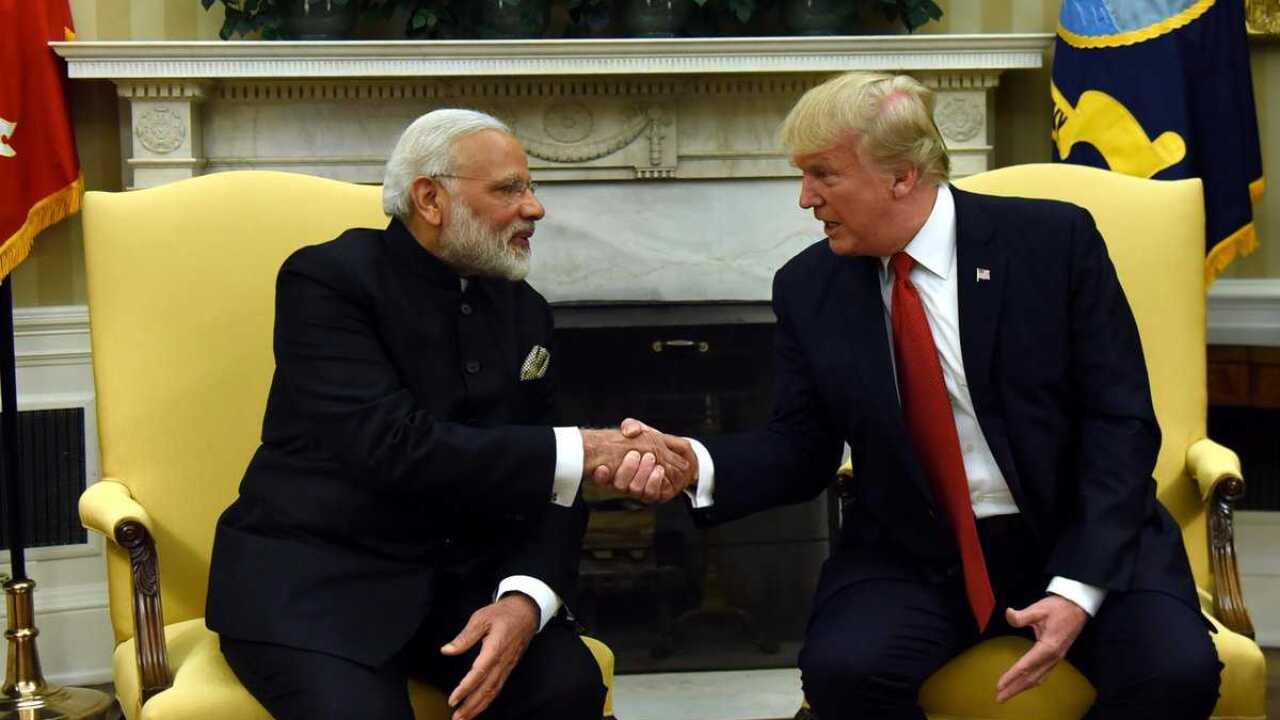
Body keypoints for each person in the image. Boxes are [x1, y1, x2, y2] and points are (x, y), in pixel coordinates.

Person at [599, 72, 1221, 719]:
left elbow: (1119, 426)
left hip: (1076, 530)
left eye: (823, 174)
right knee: (846, 673)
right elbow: (798, 448)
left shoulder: (1053, 244)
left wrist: (1076, 588)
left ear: (902, 176)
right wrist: (692, 466)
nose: (805, 198)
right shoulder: (809, 287)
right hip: (917, 551)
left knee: (1174, 674)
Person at [206, 108, 687, 720]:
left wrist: (524, 598)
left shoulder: (525, 310)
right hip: (317, 585)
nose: (534, 208)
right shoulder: (327, 282)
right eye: (510, 189)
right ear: (430, 199)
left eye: (531, 186)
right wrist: (589, 449)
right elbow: (392, 445)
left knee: (566, 687)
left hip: (463, 588)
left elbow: (555, 490)